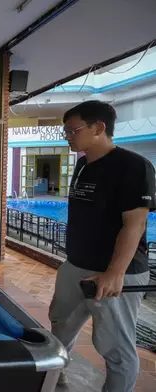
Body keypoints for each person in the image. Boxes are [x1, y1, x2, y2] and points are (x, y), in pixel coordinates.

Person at [49, 100, 154, 391]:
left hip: (113, 272)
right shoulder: (83, 164)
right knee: (60, 324)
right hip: (77, 265)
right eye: (66, 132)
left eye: (73, 130)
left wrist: (115, 272)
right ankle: (53, 378)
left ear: (99, 128)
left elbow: (135, 225)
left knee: (114, 346)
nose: (68, 136)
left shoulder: (133, 166)